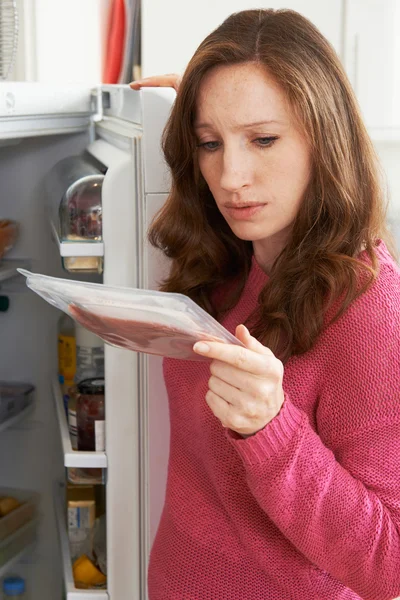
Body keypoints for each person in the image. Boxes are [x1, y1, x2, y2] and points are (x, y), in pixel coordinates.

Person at [130, 8, 400, 600]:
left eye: (264, 139)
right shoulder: (232, 258)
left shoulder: (369, 307)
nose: (231, 176)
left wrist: (271, 429)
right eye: (209, 143)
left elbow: (390, 562)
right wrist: (213, 107)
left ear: (324, 136)